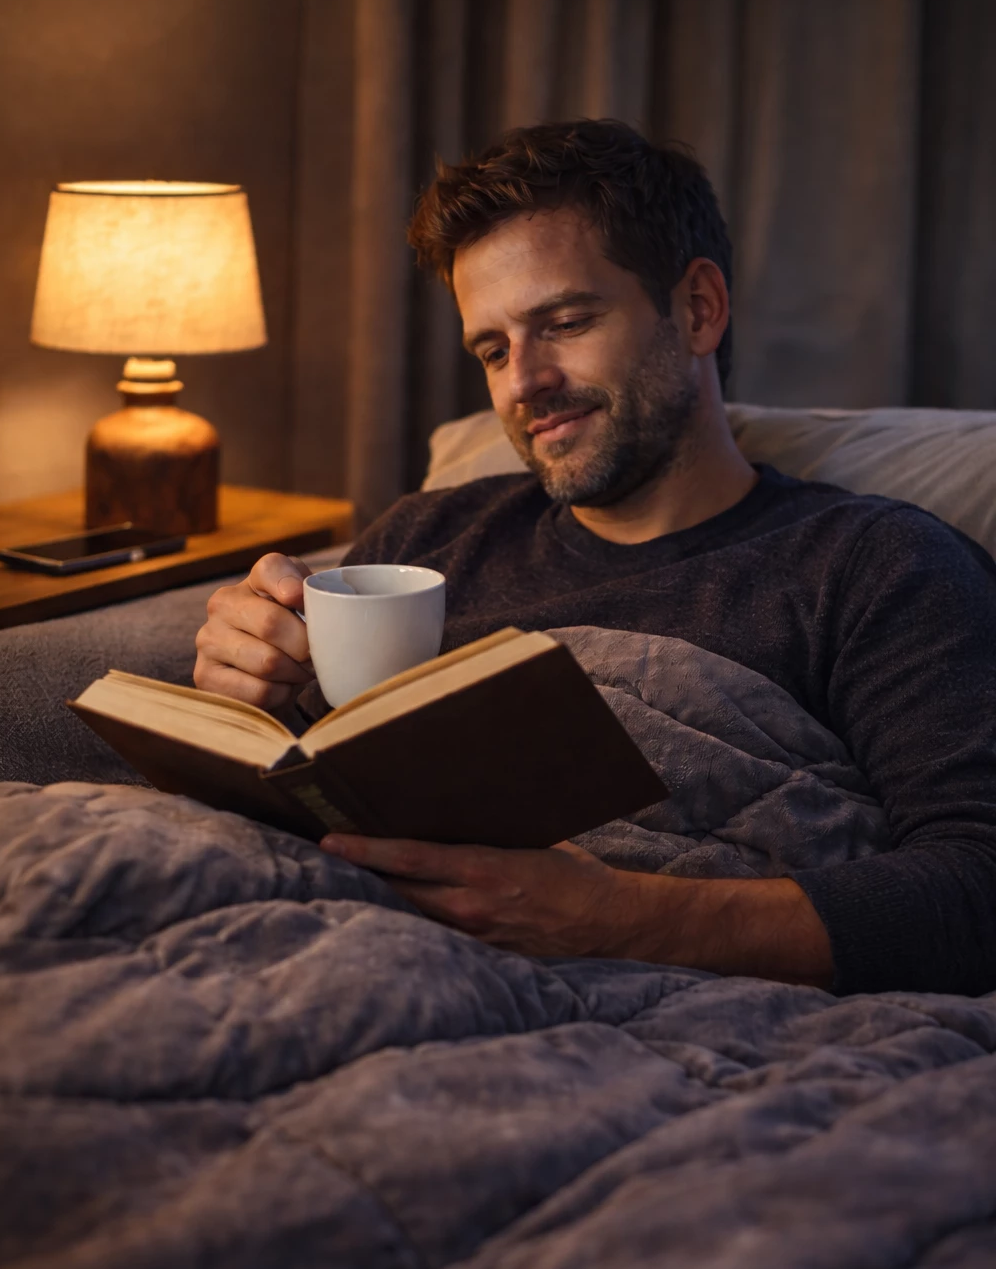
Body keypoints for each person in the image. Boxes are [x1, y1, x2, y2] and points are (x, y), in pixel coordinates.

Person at [194, 119, 996, 998]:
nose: (521, 381)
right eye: (492, 349)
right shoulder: (422, 542)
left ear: (697, 309)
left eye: (565, 321)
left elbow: (975, 884)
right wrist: (244, 686)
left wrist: (618, 918)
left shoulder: (876, 565)